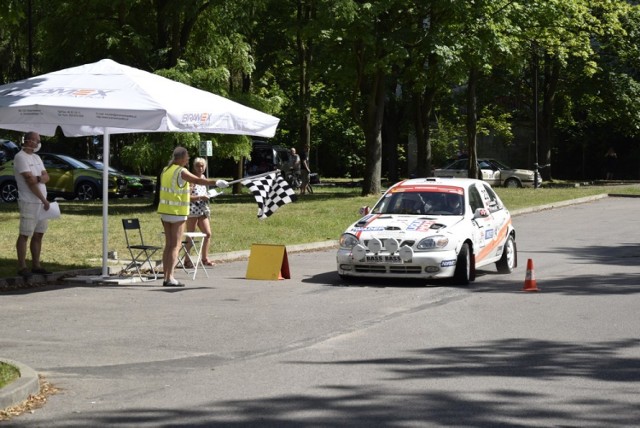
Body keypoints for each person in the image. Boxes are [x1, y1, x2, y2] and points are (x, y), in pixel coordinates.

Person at [157, 147, 228, 287]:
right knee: (175, 245)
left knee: (169, 245)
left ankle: (166, 276)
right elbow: (199, 180)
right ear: (182, 157)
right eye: (187, 157)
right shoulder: (181, 171)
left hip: (165, 211)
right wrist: (217, 182)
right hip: (177, 212)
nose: (188, 159)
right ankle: (170, 278)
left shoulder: (166, 169)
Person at [14, 131, 52, 278]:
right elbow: (29, 181)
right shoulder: (20, 157)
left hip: (42, 203)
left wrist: (39, 178)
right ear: (29, 141)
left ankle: (36, 264)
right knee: (25, 234)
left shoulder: (36, 157)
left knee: (39, 233)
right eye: (37, 140)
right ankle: (22, 266)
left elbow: (46, 176)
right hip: (29, 201)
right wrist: (43, 199)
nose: (39, 143)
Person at [183, 157, 216, 268]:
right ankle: (186, 260)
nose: (200, 168)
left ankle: (205, 258)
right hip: (192, 210)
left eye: (202, 166)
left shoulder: (203, 178)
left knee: (207, 234)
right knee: (190, 235)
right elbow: (187, 197)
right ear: (194, 166)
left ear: (205, 167)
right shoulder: (192, 179)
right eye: (198, 166)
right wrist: (200, 197)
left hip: (202, 210)